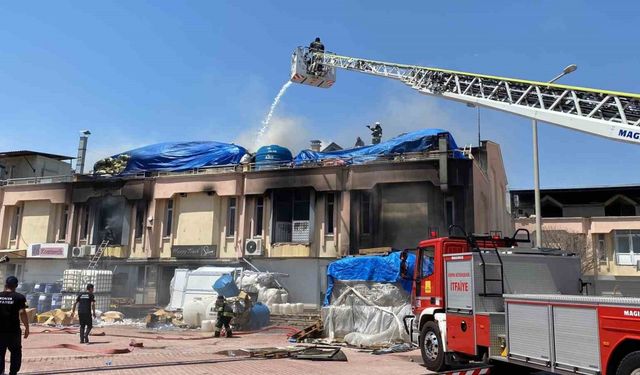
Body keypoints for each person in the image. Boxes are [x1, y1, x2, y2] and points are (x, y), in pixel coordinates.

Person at [0, 276, 29, 375]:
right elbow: (22, 313)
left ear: (5, 285)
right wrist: (27, 328)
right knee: (16, 352)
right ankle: (13, 372)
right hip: (13, 331)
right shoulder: (19, 297)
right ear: (16, 286)